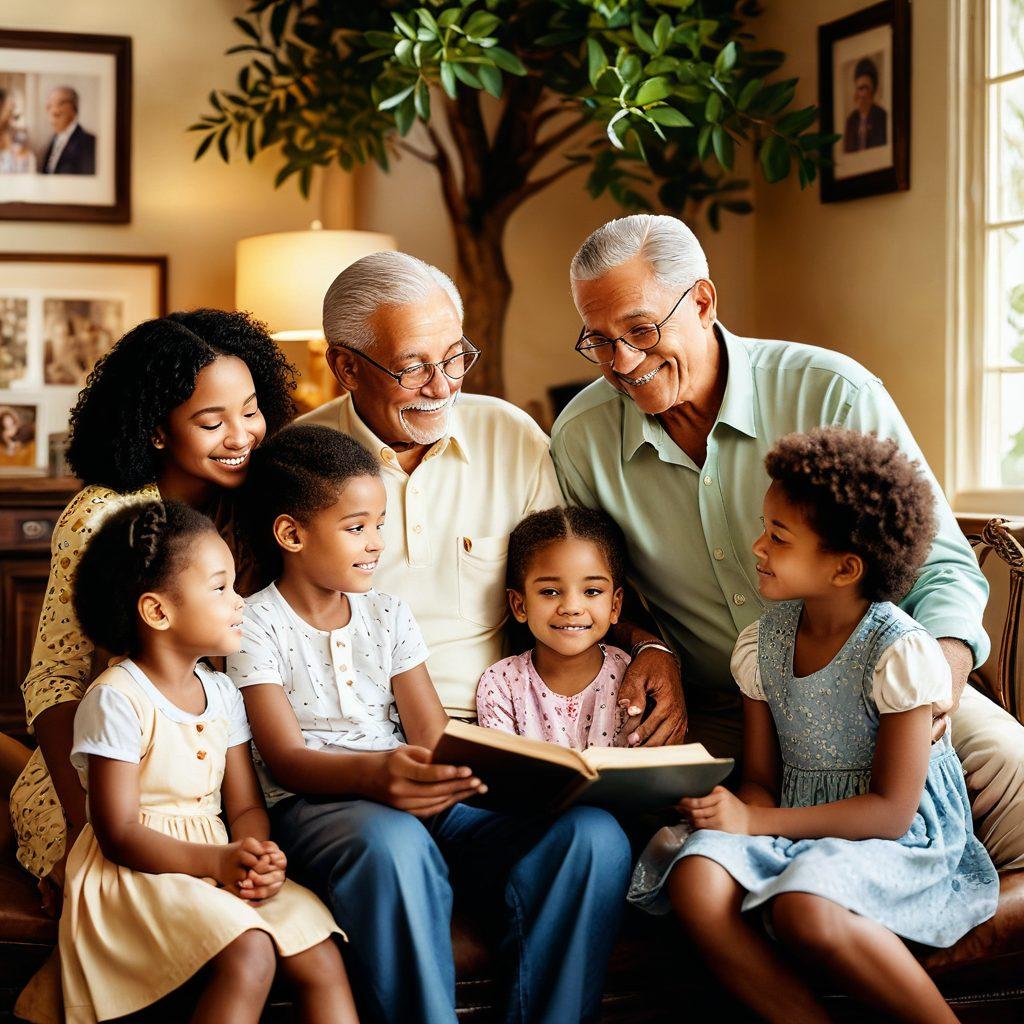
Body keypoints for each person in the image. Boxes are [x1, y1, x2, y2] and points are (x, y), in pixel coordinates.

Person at [550, 214, 1024, 870]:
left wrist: (935, 680)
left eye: (640, 330)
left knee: (1015, 777)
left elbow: (942, 562)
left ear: (704, 300)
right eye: (598, 341)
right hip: (723, 710)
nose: (622, 363)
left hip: (885, 690)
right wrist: (647, 645)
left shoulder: (833, 391)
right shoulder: (581, 438)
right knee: (634, 833)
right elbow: (593, 586)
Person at [229, 424, 632, 1024]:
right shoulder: (254, 624)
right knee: (393, 842)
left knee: (594, 833)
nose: (375, 544)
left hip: (417, 795)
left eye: (379, 525)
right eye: (356, 527)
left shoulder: (388, 613)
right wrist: (375, 776)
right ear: (291, 533)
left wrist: (513, 776)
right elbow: (285, 758)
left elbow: (432, 735)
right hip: (322, 804)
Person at [629, 428, 999, 1024]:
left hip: (895, 839)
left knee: (805, 904)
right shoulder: (762, 645)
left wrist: (756, 821)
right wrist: (728, 811)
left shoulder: (898, 653)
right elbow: (760, 780)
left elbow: (891, 811)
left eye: (778, 536)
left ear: (844, 567)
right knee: (695, 875)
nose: (756, 547)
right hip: (797, 821)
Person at [299, 250, 682, 739]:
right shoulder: (300, 458)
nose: (443, 388)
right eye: (413, 368)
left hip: (491, 722)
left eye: (455, 357)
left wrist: (651, 648)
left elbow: (572, 581)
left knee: (592, 822)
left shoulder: (509, 435)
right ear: (347, 367)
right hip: (347, 732)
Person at [10, 310, 297, 905]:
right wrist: (79, 817)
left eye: (250, 410)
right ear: (157, 429)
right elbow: (53, 678)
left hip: (223, 771)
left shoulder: (263, 506)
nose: (241, 436)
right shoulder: (102, 518)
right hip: (109, 774)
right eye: (211, 422)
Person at [61, 498, 353, 1023]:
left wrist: (256, 852)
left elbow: (243, 806)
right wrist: (216, 863)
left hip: (217, 863)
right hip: (139, 874)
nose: (240, 600)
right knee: (250, 952)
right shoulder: (117, 698)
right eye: (221, 587)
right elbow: (117, 833)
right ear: (157, 611)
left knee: (319, 950)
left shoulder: (222, 692)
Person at [476, 506, 631, 749]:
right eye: (550, 592)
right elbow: (504, 770)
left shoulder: (631, 676)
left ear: (615, 605)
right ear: (520, 605)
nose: (571, 607)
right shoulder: (501, 684)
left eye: (592, 591)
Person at [41, 86, 95, 175]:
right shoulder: (51, 142)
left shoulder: (89, 142)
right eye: (49, 106)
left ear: (74, 108)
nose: (54, 111)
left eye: (60, 104)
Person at [843, 57, 887, 153]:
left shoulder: (882, 117)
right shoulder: (851, 121)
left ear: (873, 90)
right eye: (859, 88)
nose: (861, 94)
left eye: (865, 88)